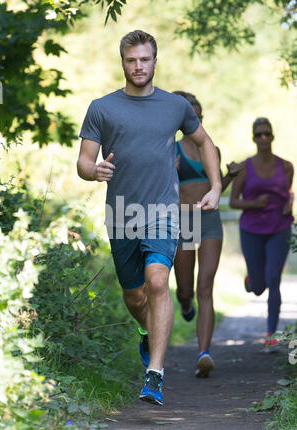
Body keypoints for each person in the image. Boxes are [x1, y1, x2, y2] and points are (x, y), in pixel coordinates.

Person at [77, 30, 221, 406]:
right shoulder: (102, 107)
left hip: (162, 210)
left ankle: (154, 374)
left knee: (158, 282)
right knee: (133, 293)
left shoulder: (174, 106)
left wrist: (216, 187)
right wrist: (94, 172)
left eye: (144, 59)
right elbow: (83, 161)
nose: (138, 66)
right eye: (131, 60)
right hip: (122, 212)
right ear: (122, 62)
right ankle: (147, 330)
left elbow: (204, 142)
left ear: (155, 61)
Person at [173, 91, 243, 377]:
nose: (196, 120)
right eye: (191, 116)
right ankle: (185, 303)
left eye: (199, 116)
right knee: (187, 289)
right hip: (185, 221)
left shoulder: (211, 148)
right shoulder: (171, 149)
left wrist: (229, 177)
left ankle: (204, 352)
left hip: (209, 220)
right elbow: (159, 187)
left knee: (206, 285)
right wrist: (169, 171)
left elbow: (215, 188)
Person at [230, 117, 294, 351]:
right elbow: (234, 202)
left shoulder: (286, 166)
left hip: (279, 227)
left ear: (273, 136)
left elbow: (287, 194)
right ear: (253, 138)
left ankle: (270, 336)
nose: (264, 138)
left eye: (267, 133)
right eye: (259, 134)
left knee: (274, 279)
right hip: (251, 229)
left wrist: (289, 205)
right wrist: (255, 203)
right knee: (259, 287)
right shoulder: (245, 168)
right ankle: (251, 280)